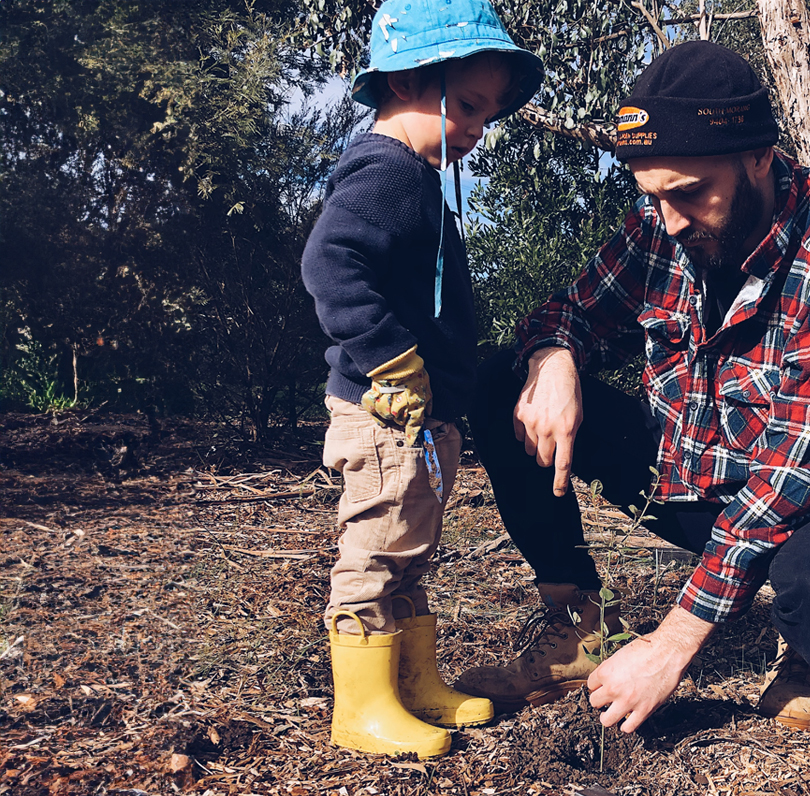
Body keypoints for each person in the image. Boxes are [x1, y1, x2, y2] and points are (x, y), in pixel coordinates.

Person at [454, 40, 810, 735]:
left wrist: (674, 641)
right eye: (653, 195)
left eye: (689, 193)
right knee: (503, 380)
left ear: (759, 157)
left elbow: (797, 469)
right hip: (692, 471)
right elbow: (569, 311)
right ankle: (577, 622)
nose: (670, 219)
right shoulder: (662, 223)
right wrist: (554, 358)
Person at [300, 0, 541, 759]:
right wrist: (390, 357)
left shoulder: (412, 177)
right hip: (384, 411)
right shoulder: (387, 172)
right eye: (467, 106)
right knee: (375, 550)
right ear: (406, 82)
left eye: (488, 114)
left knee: (407, 546)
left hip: (417, 417)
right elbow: (329, 263)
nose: (477, 128)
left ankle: (413, 682)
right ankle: (362, 709)